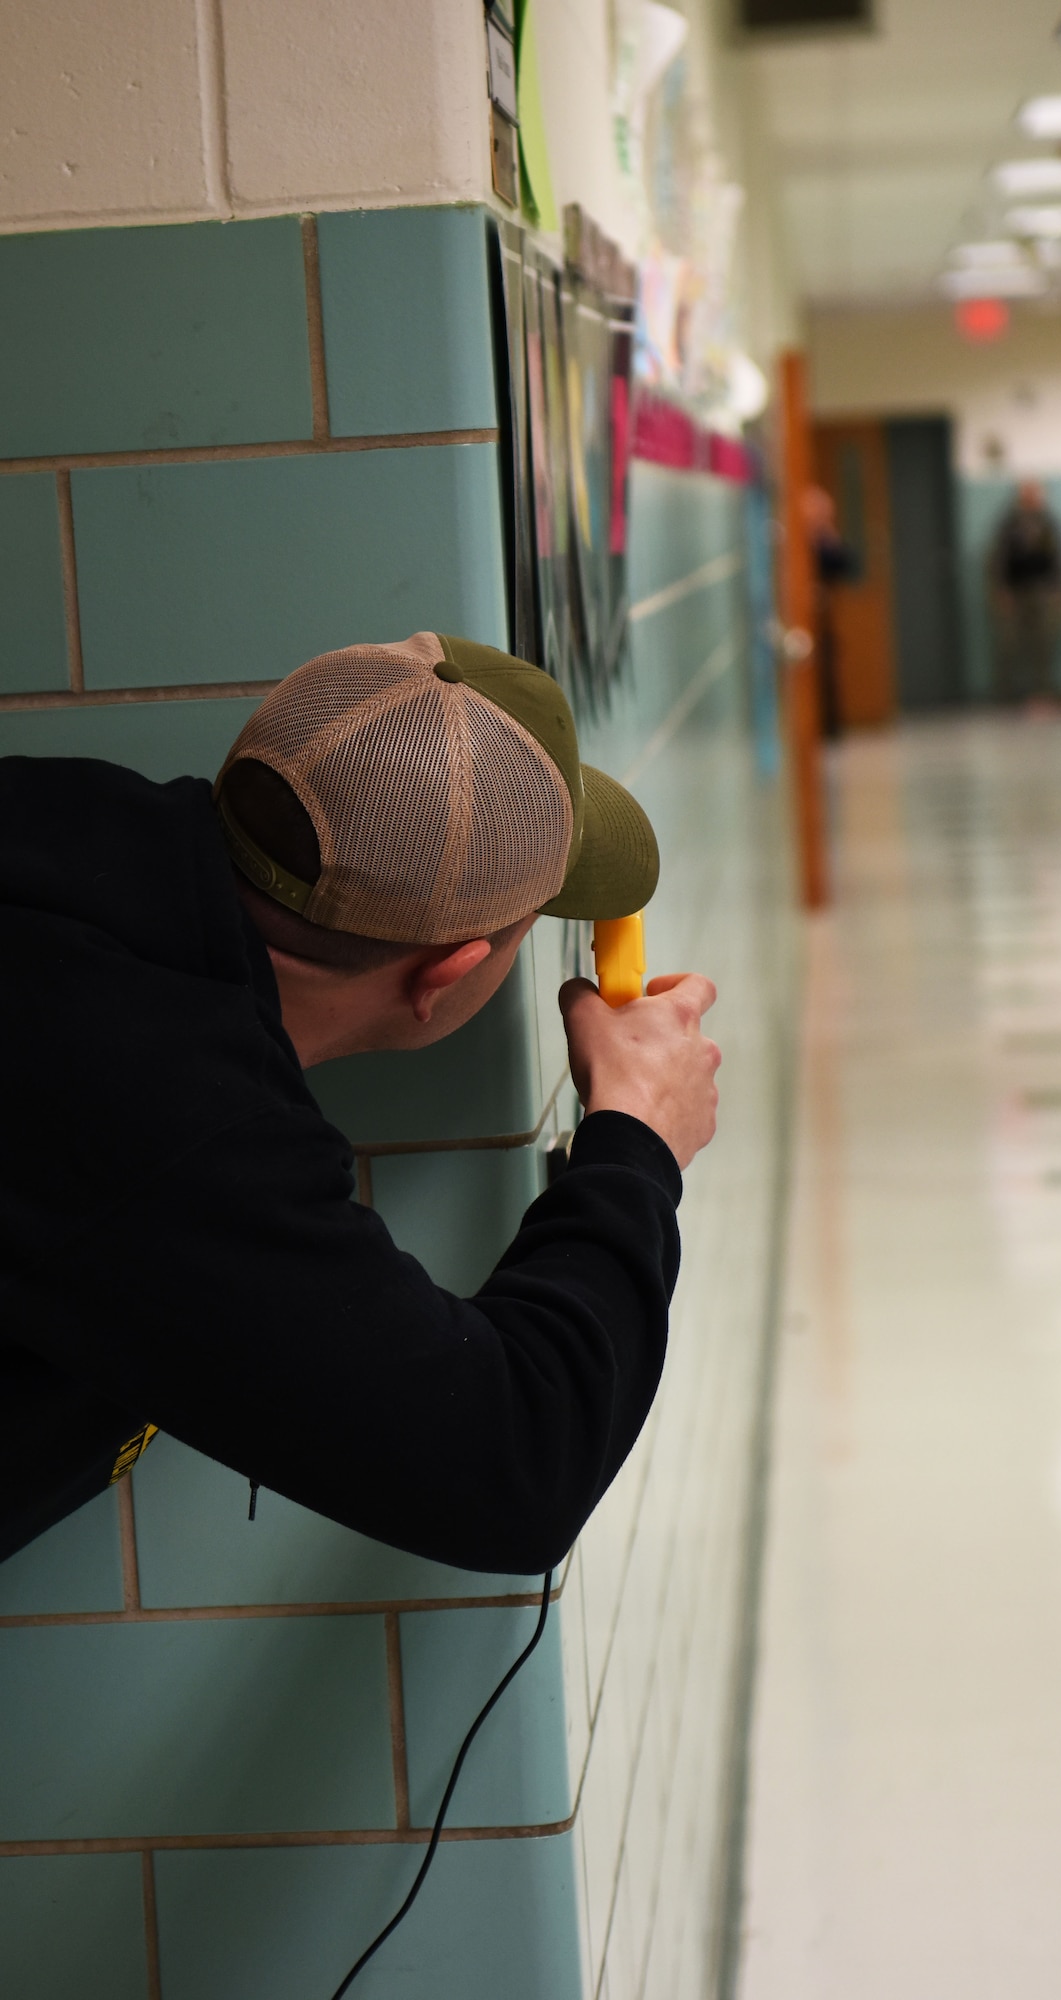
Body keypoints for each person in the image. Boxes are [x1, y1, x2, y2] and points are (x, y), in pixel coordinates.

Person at [0, 631, 721, 1574]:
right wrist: (636, 1141)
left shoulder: (51, 814)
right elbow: (514, 1468)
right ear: (449, 971)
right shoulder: (173, 1119)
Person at [988, 478, 1061, 704]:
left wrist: (1059, 589)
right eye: (1027, 492)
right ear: (1020, 496)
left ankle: (1043, 691)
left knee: (1043, 642)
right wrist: (1000, 590)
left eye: (1035, 492)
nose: (1031, 497)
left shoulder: (1048, 523)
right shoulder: (1009, 523)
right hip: (1015, 590)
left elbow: (1058, 559)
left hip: (1042, 589)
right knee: (1008, 642)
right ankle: (1004, 694)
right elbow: (998, 559)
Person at [801, 484, 857, 738]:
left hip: (822, 617)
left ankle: (830, 726)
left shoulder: (825, 539)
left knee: (828, 668)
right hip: (804, 618)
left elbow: (844, 566)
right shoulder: (796, 540)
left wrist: (827, 535)